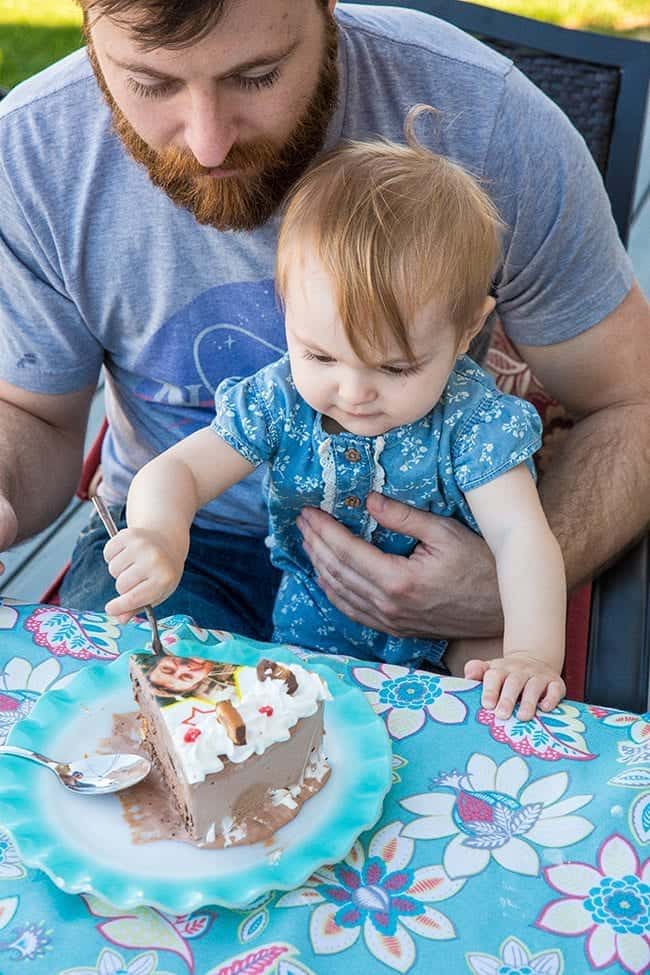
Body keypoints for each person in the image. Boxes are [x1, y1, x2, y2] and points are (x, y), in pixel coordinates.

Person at [0, 2, 648, 719]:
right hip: (192, 554)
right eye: (151, 83)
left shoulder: (491, 122)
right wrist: (153, 529)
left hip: (444, 576)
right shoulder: (31, 151)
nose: (209, 144)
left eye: (257, 75)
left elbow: (631, 404)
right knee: (168, 735)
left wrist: (499, 602)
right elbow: (53, 424)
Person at [103, 115, 567, 721]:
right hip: (313, 620)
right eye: (320, 355)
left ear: (467, 330)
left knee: (499, 707)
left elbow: (520, 538)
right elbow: (178, 474)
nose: (353, 392)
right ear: (286, 307)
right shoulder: (279, 402)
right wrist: (161, 535)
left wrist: (532, 654)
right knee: (300, 732)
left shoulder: (471, 423)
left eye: (396, 369)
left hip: (458, 630)